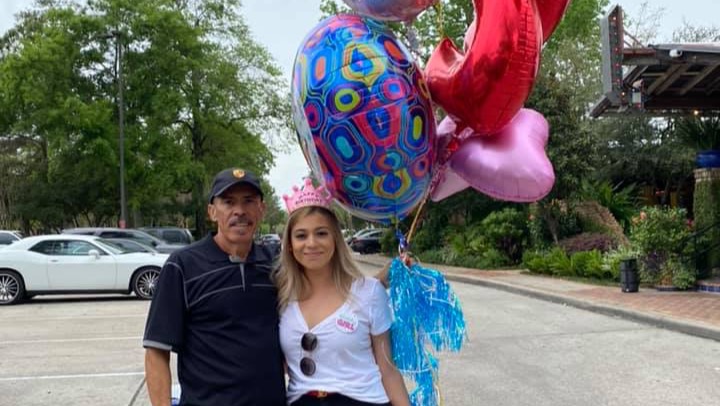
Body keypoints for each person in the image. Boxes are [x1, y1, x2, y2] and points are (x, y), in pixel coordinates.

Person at [143, 168, 285, 406]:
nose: (239, 211)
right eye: (228, 202)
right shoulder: (183, 265)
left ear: (262, 209)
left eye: (248, 201)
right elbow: (157, 350)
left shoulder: (277, 265)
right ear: (212, 212)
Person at [274, 179, 410, 406]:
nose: (311, 243)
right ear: (289, 244)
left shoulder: (370, 292)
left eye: (321, 233)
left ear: (336, 239)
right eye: (301, 235)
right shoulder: (282, 297)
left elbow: (388, 370)